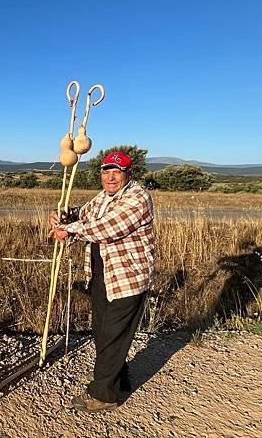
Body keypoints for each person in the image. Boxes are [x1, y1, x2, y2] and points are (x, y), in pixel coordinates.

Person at [49, 151, 155, 413]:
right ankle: (119, 379)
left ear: (128, 174)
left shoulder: (137, 198)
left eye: (117, 172)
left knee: (112, 334)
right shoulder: (103, 197)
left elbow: (106, 227)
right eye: (106, 172)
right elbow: (85, 215)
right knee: (101, 330)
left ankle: (104, 395)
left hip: (128, 277)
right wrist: (64, 216)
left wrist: (70, 229)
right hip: (101, 274)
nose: (111, 177)